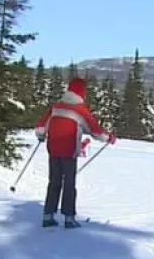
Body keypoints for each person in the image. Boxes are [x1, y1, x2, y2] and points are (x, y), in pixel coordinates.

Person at [34, 77, 116, 228]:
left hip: (53, 149)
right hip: (69, 151)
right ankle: (69, 218)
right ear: (81, 93)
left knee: (54, 182)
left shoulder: (56, 107)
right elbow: (95, 131)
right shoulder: (80, 111)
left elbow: (41, 126)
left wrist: (41, 136)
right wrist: (108, 138)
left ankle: (48, 215)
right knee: (69, 183)